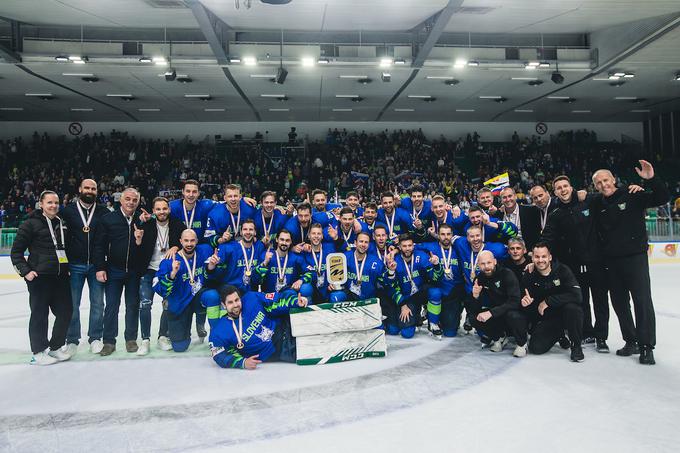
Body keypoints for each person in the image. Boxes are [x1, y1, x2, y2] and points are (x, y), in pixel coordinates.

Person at [591, 160, 669, 365]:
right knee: (619, 303)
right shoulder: (597, 202)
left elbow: (662, 197)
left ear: (613, 179)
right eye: (598, 183)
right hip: (611, 262)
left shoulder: (632, 194)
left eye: (605, 180)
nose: (603, 185)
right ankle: (631, 340)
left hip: (635, 258)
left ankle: (646, 346)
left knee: (642, 302)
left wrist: (652, 179)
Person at [542, 175, 611, 352]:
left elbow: (606, 195)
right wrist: (535, 253)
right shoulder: (555, 214)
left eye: (565, 186)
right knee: (582, 300)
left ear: (571, 187)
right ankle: (587, 332)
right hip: (573, 266)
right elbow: (548, 238)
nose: (563, 190)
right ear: (555, 192)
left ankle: (601, 337)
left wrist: (587, 194)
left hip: (596, 262)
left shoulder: (588, 202)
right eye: (559, 188)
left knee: (600, 300)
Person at [11, 190, 73, 365]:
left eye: (56, 203)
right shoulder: (30, 224)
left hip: (60, 276)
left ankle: (55, 348)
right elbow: (16, 253)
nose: (53, 206)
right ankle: (38, 351)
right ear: (41, 204)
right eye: (50, 203)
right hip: (40, 277)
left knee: (66, 312)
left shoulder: (61, 223)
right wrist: (26, 272)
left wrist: (66, 268)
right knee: (39, 314)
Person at [93, 187, 145, 356]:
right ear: (121, 200)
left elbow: (147, 246)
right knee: (111, 306)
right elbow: (99, 245)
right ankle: (109, 341)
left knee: (132, 305)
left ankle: (131, 339)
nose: (131, 202)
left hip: (134, 272)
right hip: (113, 270)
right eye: (128, 199)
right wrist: (100, 267)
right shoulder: (108, 219)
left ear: (138, 202)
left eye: (134, 200)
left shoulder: (142, 219)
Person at [60, 179, 109, 356]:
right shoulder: (68, 211)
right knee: (72, 304)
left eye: (93, 188)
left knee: (97, 304)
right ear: (80, 189)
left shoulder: (103, 211)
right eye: (87, 188)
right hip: (75, 265)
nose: (90, 190)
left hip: (97, 266)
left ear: (97, 191)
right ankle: (72, 340)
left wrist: (102, 265)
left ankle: (95, 338)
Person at [208, 285, 308, 369]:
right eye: (230, 302)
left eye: (237, 300)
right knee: (315, 351)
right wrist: (243, 363)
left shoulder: (252, 298)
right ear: (223, 305)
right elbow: (219, 355)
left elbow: (277, 300)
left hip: (286, 325)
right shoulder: (218, 332)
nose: (235, 305)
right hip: (282, 349)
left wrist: (295, 301)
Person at [153, 229, 219, 352]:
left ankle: (216, 338)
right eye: (186, 240)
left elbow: (210, 276)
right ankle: (180, 330)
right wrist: (172, 274)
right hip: (180, 303)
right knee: (180, 347)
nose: (189, 243)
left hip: (197, 297)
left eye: (192, 240)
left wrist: (211, 268)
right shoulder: (169, 261)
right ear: (180, 242)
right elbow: (160, 290)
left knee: (213, 296)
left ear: (197, 241)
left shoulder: (204, 251)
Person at [135, 197, 184, 355]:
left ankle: (163, 336)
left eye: (164, 208)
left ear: (169, 209)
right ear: (153, 211)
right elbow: (136, 239)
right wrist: (139, 237)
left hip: (167, 270)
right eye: (158, 209)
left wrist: (176, 246)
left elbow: (186, 241)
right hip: (148, 269)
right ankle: (145, 339)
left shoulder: (177, 224)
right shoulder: (146, 224)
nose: (162, 212)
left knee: (167, 304)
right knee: (145, 304)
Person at [522, 243, 584, 362]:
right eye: (537, 257)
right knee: (536, 348)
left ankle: (576, 345)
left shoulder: (563, 270)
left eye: (544, 256)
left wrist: (548, 301)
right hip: (549, 319)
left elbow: (577, 295)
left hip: (566, 314)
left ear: (550, 257)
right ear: (532, 258)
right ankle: (560, 334)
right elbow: (527, 304)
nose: (540, 260)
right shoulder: (529, 275)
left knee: (573, 308)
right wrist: (525, 303)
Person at [469, 251, 528, 357]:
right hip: (497, 313)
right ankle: (499, 337)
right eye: (482, 264)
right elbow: (474, 308)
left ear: (495, 262)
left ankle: (522, 343)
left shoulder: (507, 274)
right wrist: (475, 296)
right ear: (478, 265)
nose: (486, 266)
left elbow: (514, 302)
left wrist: (491, 313)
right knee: (474, 317)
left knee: (512, 315)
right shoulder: (479, 279)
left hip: (514, 312)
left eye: (489, 263)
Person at [416, 224, 466, 337]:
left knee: (450, 332)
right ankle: (432, 321)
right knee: (434, 292)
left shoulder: (459, 249)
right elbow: (410, 247)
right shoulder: (431, 247)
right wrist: (394, 250)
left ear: (452, 235)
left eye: (448, 234)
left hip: (453, 291)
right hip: (438, 286)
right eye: (442, 234)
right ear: (438, 235)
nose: (446, 237)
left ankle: (455, 313)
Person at [391, 234, 443, 339]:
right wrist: (403, 304)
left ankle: (433, 322)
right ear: (399, 247)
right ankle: (417, 317)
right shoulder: (394, 261)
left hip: (420, 292)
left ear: (413, 246)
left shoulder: (422, 257)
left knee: (435, 292)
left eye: (410, 245)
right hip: (406, 298)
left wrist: (437, 265)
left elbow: (435, 278)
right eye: (404, 246)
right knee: (407, 333)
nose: (407, 248)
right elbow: (391, 287)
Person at [499, 187, 542, 251]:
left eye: (510, 196)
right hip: (508, 252)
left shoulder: (531, 211)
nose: (508, 199)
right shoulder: (498, 214)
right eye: (504, 197)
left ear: (515, 196)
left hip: (529, 250)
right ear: (501, 200)